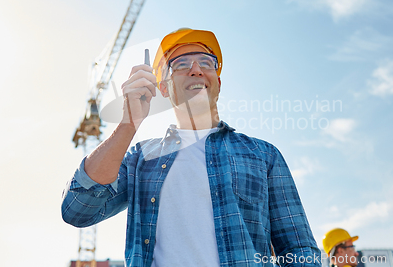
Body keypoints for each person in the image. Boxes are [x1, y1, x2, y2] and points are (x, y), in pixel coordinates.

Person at [62, 28, 321, 267]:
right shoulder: (141, 159)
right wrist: (128, 123)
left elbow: (299, 251)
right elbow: (77, 210)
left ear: (218, 81)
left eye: (206, 63)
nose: (196, 70)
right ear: (163, 88)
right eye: (181, 64)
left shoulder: (263, 155)